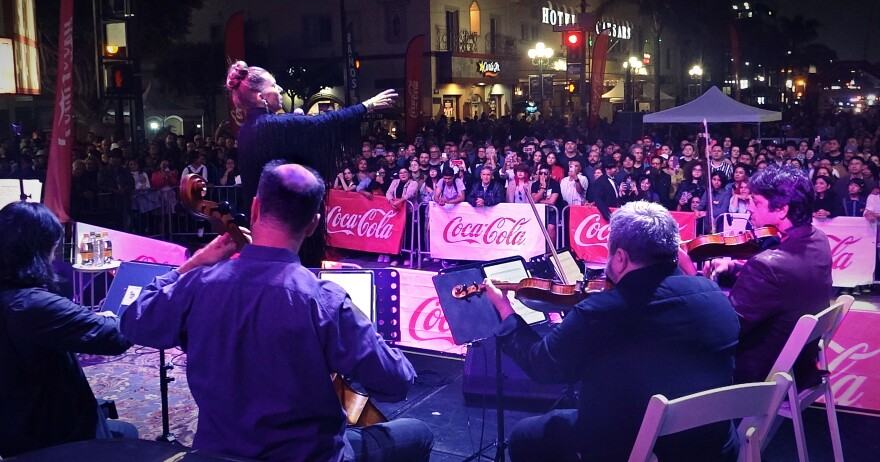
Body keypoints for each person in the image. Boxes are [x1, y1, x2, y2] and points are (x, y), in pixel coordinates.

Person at [120, 162, 433, 461]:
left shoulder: (199, 284)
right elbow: (397, 383)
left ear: (255, 208)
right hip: (307, 455)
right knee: (417, 433)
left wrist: (196, 263)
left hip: (219, 454)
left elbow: (134, 320)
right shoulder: (324, 301)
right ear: (313, 224)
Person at [483, 201, 740, 461]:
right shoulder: (716, 296)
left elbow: (541, 365)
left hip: (643, 449)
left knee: (525, 435)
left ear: (620, 258)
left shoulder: (602, 312)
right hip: (714, 446)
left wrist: (505, 310)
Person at [0, 202, 137, 458]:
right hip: (50, 435)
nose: (55, 256)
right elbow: (116, 338)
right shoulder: (31, 305)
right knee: (128, 436)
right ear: (37, 250)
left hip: (13, 422)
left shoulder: (15, 298)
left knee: (123, 430)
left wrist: (82, 320)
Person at [229, 61, 396, 267]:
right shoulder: (269, 126)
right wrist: (366, 106)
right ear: (260, 97)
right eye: (274, 85)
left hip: (266, 223)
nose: (280, 89)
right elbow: (320, 125)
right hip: (283, 225)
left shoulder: (250, 128)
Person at [707, 165, 834, 385]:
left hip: (758, 373)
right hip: (800, 364)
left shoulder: (766, 266)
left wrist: (698, 283)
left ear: (782, 210)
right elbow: (785, 286)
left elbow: (726, 329)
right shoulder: (819, 239)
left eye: (756, 203)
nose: (750, 210)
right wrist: (736, 268)